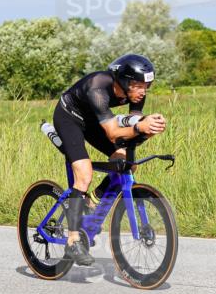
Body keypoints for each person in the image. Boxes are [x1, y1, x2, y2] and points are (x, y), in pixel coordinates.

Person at [52, 53, 167, 265]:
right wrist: (139, 127)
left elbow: (133, 125)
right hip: (69, 117)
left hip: (94, 120)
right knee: (84, 174)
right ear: (124, 81)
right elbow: (114, 133)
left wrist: (148, 129)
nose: (143, 91)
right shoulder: (97, 88)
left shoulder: (137, 94)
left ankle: (93, 199)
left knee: (126, 165)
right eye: (139, 86)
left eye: (147, 86)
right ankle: (73, 240)